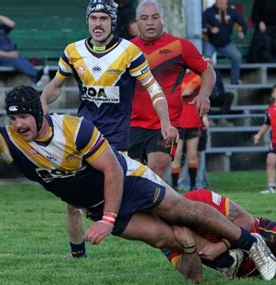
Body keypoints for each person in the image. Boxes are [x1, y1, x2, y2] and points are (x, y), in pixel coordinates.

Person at [0, 83, 276, 281]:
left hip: (127, 180)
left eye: (24, 117)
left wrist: (108, 221)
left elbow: (113, 172)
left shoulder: (75, 129)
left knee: (183, 211)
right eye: (12, 119)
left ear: (39, 113)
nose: (19, 125)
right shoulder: (12, 141)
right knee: (165, 237)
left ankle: (250, 243)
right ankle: (225, 262)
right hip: (97, 204)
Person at [41, 0, 178, 259]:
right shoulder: (73, 51)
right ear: (87, 22)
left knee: (131, 199)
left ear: (112, 22)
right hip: (83, 135)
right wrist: (41, 104)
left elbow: (154, 89)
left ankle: (172, 235)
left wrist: (166, 122)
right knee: (71, 197)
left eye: (104, 19)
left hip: (115, 139)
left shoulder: (129, 52)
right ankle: (77, 253)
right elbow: (55, 86)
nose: (98, 24)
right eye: (94, 19)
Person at [129, 0, 214, 179]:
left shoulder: (180, 46)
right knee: (132, 179)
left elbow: (207, 71)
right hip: (131, 124)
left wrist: (204, 95)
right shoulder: (126, 49)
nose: (150, 22)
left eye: (155, 17)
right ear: (137, 22)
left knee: (155, 174)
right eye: (144, 18)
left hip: (166, 125)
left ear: (163, 19)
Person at [165, 188, 276, 278]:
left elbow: (246, 220)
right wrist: (188, 246)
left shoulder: (198, 197)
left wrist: (221, 246)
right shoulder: (163, 234)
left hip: (264, 235)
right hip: (252, 269)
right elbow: (195, 277)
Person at [171, 70, 208, 191]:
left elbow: (189, 90)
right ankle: (175, 186)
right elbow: (185, 91)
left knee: (192, 155)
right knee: (177, 155)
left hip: (192, 120)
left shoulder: (197, 77)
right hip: (178, 120)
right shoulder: (175, 76)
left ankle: (192, 185)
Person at [0, 12, 38, 81]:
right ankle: (37, 76)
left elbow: (12, 24)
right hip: (0, 58)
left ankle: (36, 77)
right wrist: (8, 54)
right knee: (16, 61)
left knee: (23, 60)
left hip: (13, 55)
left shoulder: (0, 29)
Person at [202, 0, 247, 84]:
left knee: (237, 57)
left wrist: (242, 32)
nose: (220, 2)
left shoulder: (232, 12)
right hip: (211, 42)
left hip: (226, 43)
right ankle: (206, 82)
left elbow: (242, 23)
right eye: (218, 0)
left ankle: (234, 80)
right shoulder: (209, 11)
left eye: (222, 0)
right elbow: (201, 25)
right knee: (206, 59)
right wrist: (210, 30)